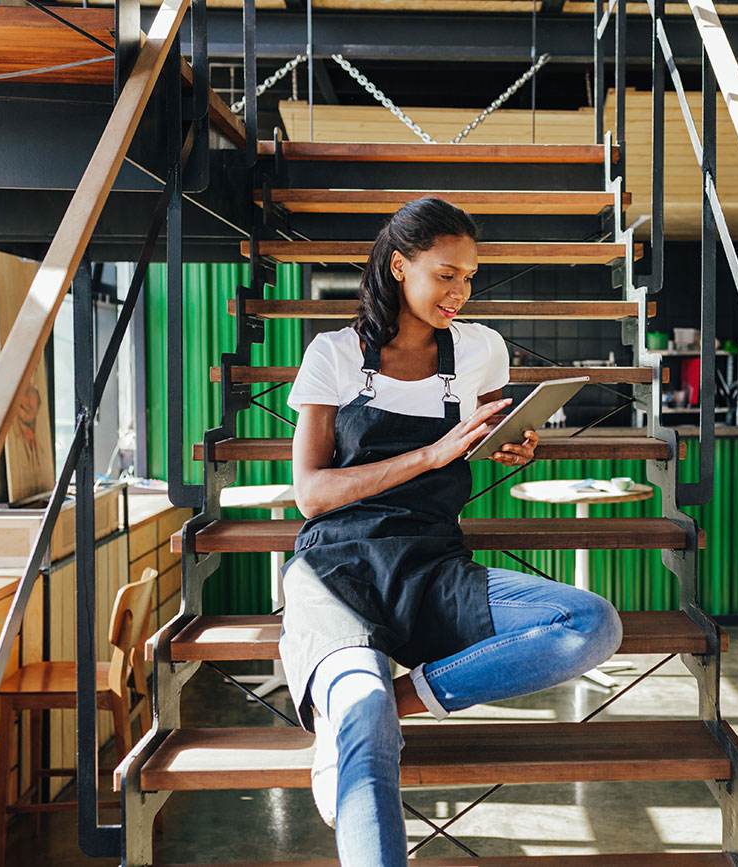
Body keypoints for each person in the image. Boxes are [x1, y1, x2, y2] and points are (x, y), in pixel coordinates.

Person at [278, 197, 624, 866]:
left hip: (433, 562)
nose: (460, 292)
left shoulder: (480, 350)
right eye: (446, 275)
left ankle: (383, 709)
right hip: (336, 570)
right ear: (399, 266)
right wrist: (429, 454)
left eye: (469, 276)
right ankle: (358, 718)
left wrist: (510, 444)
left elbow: (481, 440)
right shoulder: (334, 355)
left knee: (589, 623)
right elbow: (313, 495)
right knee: (361, 708)